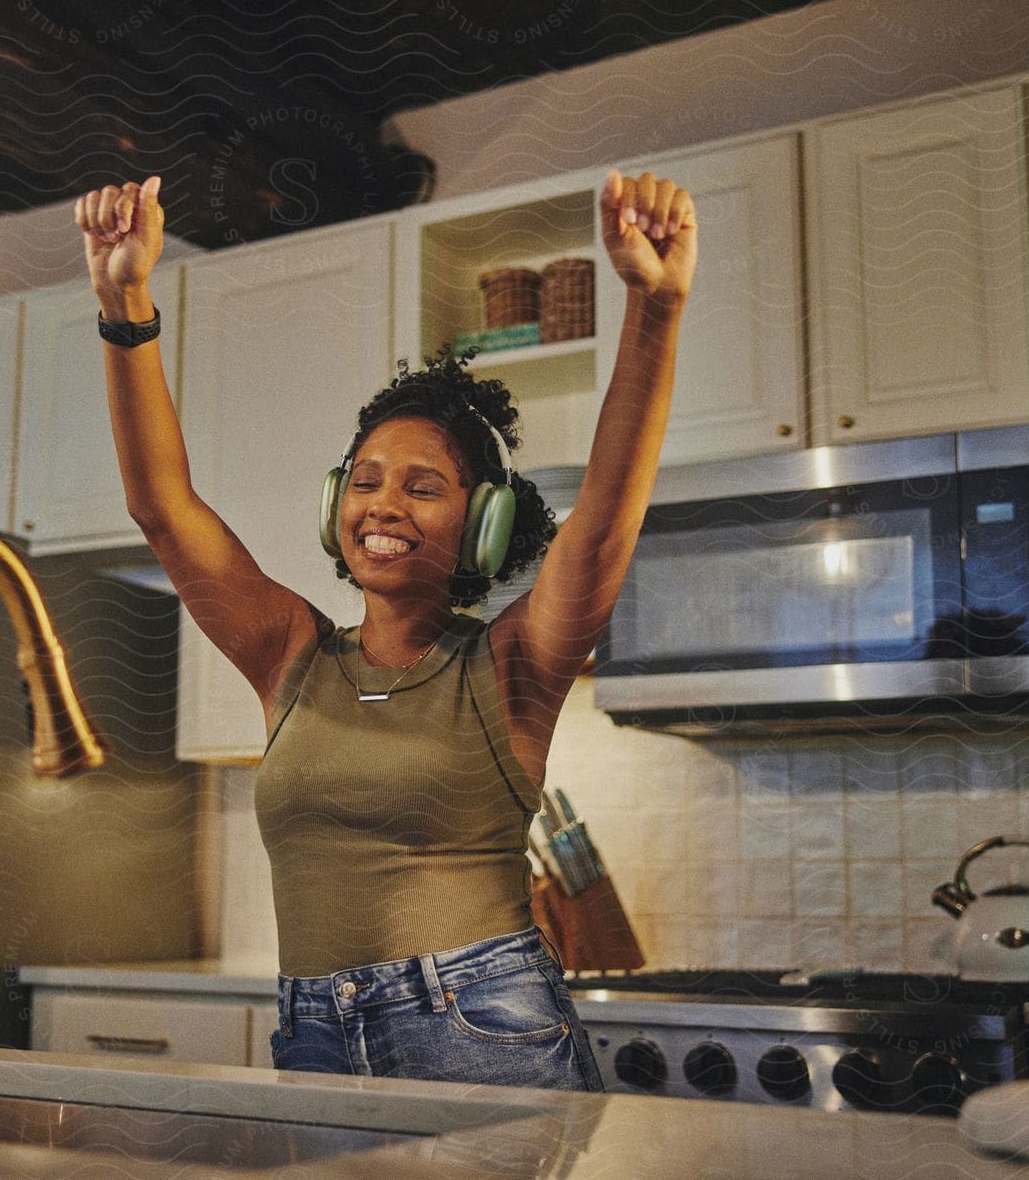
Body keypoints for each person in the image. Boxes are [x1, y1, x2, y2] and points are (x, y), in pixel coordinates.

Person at [75, 167, 695, 1092]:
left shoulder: (510, 664)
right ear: (335, 505)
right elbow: (164, 509)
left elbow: (603, 521)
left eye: (423, 484)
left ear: (482, 523)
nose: (383, 503)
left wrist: (654, 308)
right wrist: (125, 305)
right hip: (313, 1031)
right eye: (365, 478)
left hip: (483, 1028)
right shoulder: (291, 654)